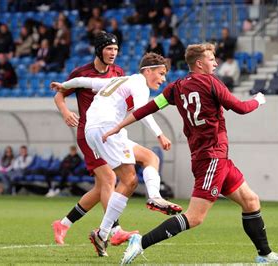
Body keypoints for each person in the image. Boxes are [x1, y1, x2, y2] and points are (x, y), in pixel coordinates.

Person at [101, 43, 278, 264]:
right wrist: (258, 100)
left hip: (212, 157)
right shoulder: (211, 83)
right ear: (200, 63)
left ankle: (264, 255)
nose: (216, 63)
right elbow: (241, 107)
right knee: (195, 217)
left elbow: (149, 107)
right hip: (212, 157)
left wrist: (118, 126)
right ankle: (141, 242)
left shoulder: (177, 87)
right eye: (212, 59)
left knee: (250, 200)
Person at [51, 32, 181, 248]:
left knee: (140, 164)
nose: (164, 79)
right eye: (161, 73)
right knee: (119, 181)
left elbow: (87, 82)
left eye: (116, 49)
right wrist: (159, 133)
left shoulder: (120, 75)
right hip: (99, 131)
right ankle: (112, 231)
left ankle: (66, 224)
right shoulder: (135, 82)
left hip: (107, 130)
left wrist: (65, 84)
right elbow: (141, 111)